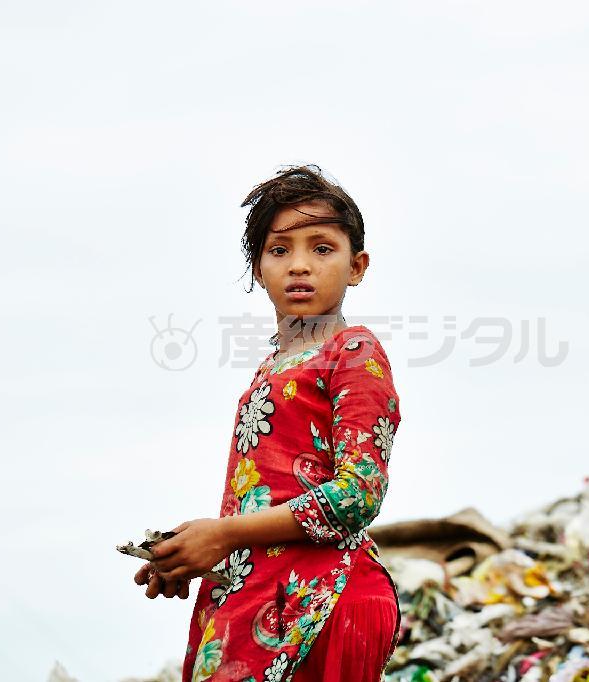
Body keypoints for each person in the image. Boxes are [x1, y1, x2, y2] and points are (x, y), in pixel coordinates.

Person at [133, 164, 403, 682]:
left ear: (357, 266)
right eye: (279, 250)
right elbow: (267, 499)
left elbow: (358, 495)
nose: (299, 265)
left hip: (324, 599)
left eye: (321, 248)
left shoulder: (353, 352)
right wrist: (192, 553)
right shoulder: (270, 368)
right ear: (258, 268)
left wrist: (224, 535)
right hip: (257, 593)